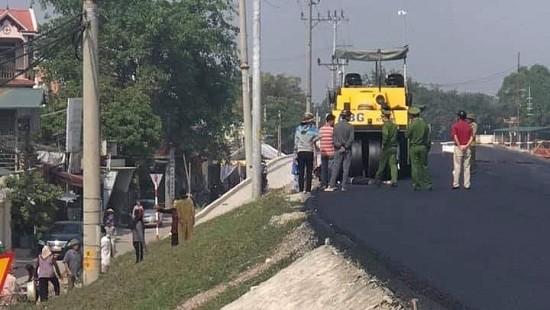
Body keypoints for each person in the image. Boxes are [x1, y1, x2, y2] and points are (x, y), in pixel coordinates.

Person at [405, 107, 433, 191]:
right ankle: (428, 184)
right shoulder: (425, 124)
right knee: (424, 166)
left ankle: (416, 185)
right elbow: (428, 138)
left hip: (414, 147)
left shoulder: (411, 124)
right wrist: (428, 147)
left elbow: (406, 136)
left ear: (411, 116)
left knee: (415, 167)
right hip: (423, 147)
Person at [325, 110, 354, 192]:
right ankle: (343, 186)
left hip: (338, 150)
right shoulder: (350, 126)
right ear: (347, 117)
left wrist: (340, 146)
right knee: (346, 168)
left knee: (336, 167)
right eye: (350, 116)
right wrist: (346, 146)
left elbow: (334, 138)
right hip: (347, 150)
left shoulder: (336, 126)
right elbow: (351, 138)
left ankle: (331, 185)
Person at [293, 112, 321, 193]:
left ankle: (301, 189)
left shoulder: (298, 129)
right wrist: (312, 140)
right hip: (309, 151)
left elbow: (296, 142)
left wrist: (295, 151)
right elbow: (319, 135)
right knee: (309, 171)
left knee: (301, 171)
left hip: (300, 151)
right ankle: (308, 189)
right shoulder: (312, 129)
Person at [374, 109, 398, 187]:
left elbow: (385, 135)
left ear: (385, 117)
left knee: (382, 164)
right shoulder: (394, 125)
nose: (382, 119)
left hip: (387, 147)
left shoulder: (385, 126)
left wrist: (384, 144)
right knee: (393, 165)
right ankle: (394, 180)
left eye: (382, 117)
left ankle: (377, 179)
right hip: (394, 147)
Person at [452, 110, 474, 189]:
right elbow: (471, 138)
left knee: (457, 166)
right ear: (465, 117)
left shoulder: (455, 126)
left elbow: (455, 136)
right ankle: (467, 184)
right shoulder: (469, 127)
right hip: (467, 148)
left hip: (458, 148)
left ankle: (456, 184)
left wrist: (459, 145)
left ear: (458, 117)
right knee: (467, 166)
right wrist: (466, 145)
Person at [319, 113, 336, 188]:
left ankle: (324, 184)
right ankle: (330, 183)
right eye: (333, 121)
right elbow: (335, 141)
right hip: (331, 152)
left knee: (324, 168)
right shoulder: (332, 130)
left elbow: (318, 139)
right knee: (331, 169)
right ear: (331, 121)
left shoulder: (321, 129)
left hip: (323, 152)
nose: (334, 122)